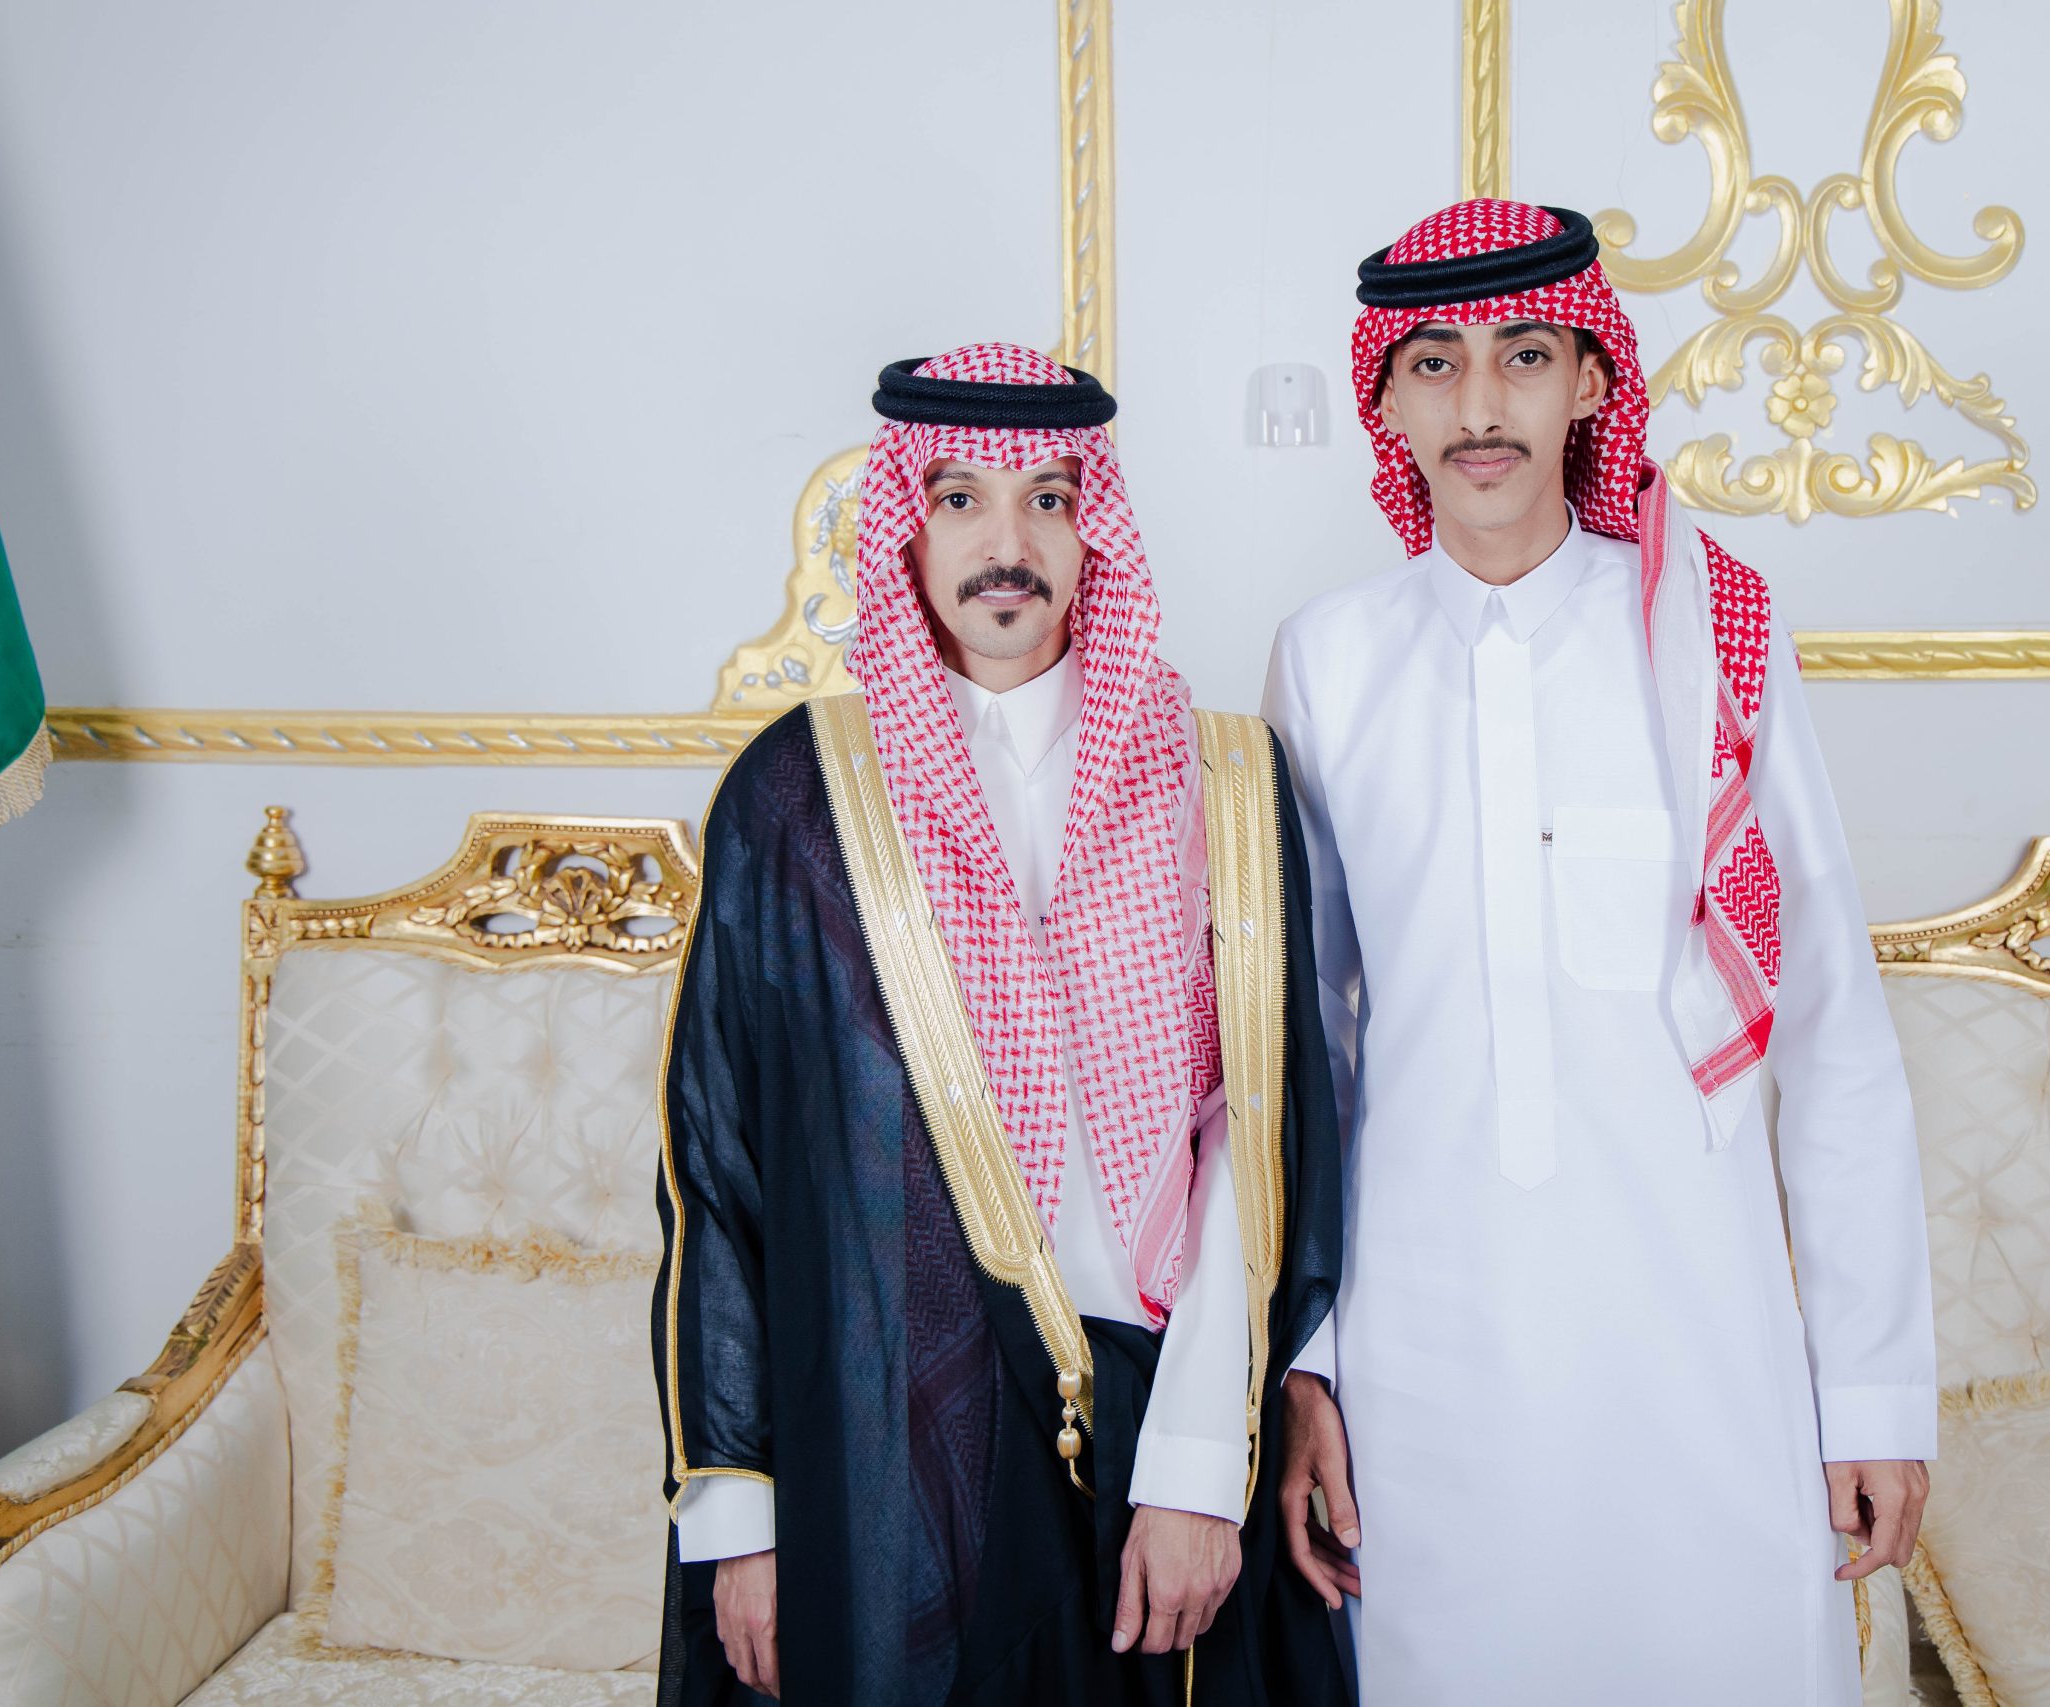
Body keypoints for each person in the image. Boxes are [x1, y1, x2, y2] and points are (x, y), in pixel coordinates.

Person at [1262, 200, 1938, 1704]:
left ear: (1590, 381)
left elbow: (1829, 1024)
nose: (1479, 403)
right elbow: (1304, 1054)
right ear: (1386, 401)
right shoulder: (1329, 660)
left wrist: (1874, 1390)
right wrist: (1306, 1365)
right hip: (1428, 1351)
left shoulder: (1707, 635)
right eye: (1434, 364)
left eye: (1524, 354)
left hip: (1696, 1339)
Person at [654, 342, 1349, 1705]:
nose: (1007, 546)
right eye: (961, 500)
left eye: (1049, 499)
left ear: (1097, 532)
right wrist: (741, 1513)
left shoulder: (1224, 781)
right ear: (905, 530)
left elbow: (1258, 1144)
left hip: (1156, 1421)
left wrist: (1200, 1470)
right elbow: (719, 1168)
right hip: (883, 1445)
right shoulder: (797, 802)